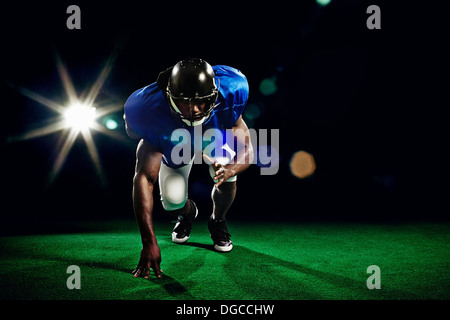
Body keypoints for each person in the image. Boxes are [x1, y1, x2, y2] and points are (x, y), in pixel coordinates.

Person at [123, 58, 253, 278]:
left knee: (226, 173)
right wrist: (148, 242)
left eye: (201, 101)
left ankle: (217, 220)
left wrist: (230, 169)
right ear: (169, 96)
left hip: (212, 136)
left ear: (213, 95)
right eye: (184, 101)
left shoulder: (231, 91)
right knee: (172, 203)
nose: (193, 109)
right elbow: (144, 177)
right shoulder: (148, 109)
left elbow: (247, 148)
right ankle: (187, 213)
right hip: (173, 141)